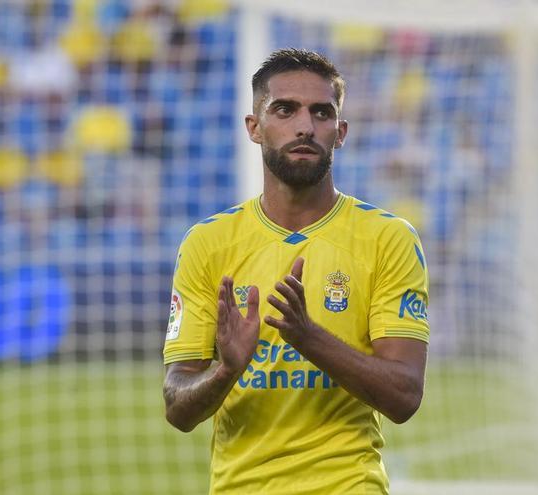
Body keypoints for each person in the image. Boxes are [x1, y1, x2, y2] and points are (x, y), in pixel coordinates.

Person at [162, 48, 429, 494]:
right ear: (254, 127)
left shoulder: (388, 238)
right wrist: (226, 370)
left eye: (321, 113)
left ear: (340, 133)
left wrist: (309, 337)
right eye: (284, 109)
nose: (305, 125)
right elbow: (177, 406)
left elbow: (404, 396)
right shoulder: (207, 243)